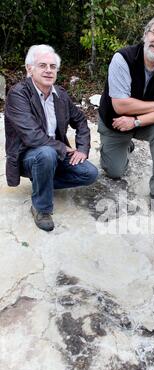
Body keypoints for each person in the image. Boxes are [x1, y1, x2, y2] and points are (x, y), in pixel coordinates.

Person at [4, 44, 98, 231]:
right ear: (29, 69)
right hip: (27, 155)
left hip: (53, 153)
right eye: (42, 65)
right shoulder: (18, 94)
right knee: (46, 153)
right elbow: (32, 136)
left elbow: (80, 121)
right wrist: (63, 148)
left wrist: (82, 149)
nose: (48, 70)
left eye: (52, 66)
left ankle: (43, 181)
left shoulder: (60, 95)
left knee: (90, 173)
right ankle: (41, 207)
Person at [98, 15, 154, 213]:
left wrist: (135, 122)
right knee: (114, 172)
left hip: (140, 123)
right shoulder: (122, 58)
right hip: (115, 122)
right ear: (145, 35)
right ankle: (121, 147)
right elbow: (120, 106)